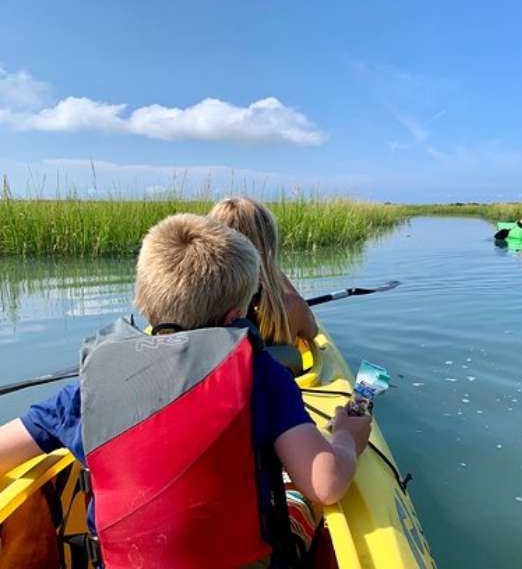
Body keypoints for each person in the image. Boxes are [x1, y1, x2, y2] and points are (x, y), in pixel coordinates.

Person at [0, 214, 371, 569]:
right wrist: (344, 439)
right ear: (234, 317)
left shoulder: (84, 394)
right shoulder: (264, 376)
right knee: (297, 501)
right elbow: (326, 484)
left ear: (142, 304)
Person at [210, 197, 318, 344]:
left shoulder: (200, 308)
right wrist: (270, 267)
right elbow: (312, 331)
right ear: (269, 244)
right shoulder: (290, 307)